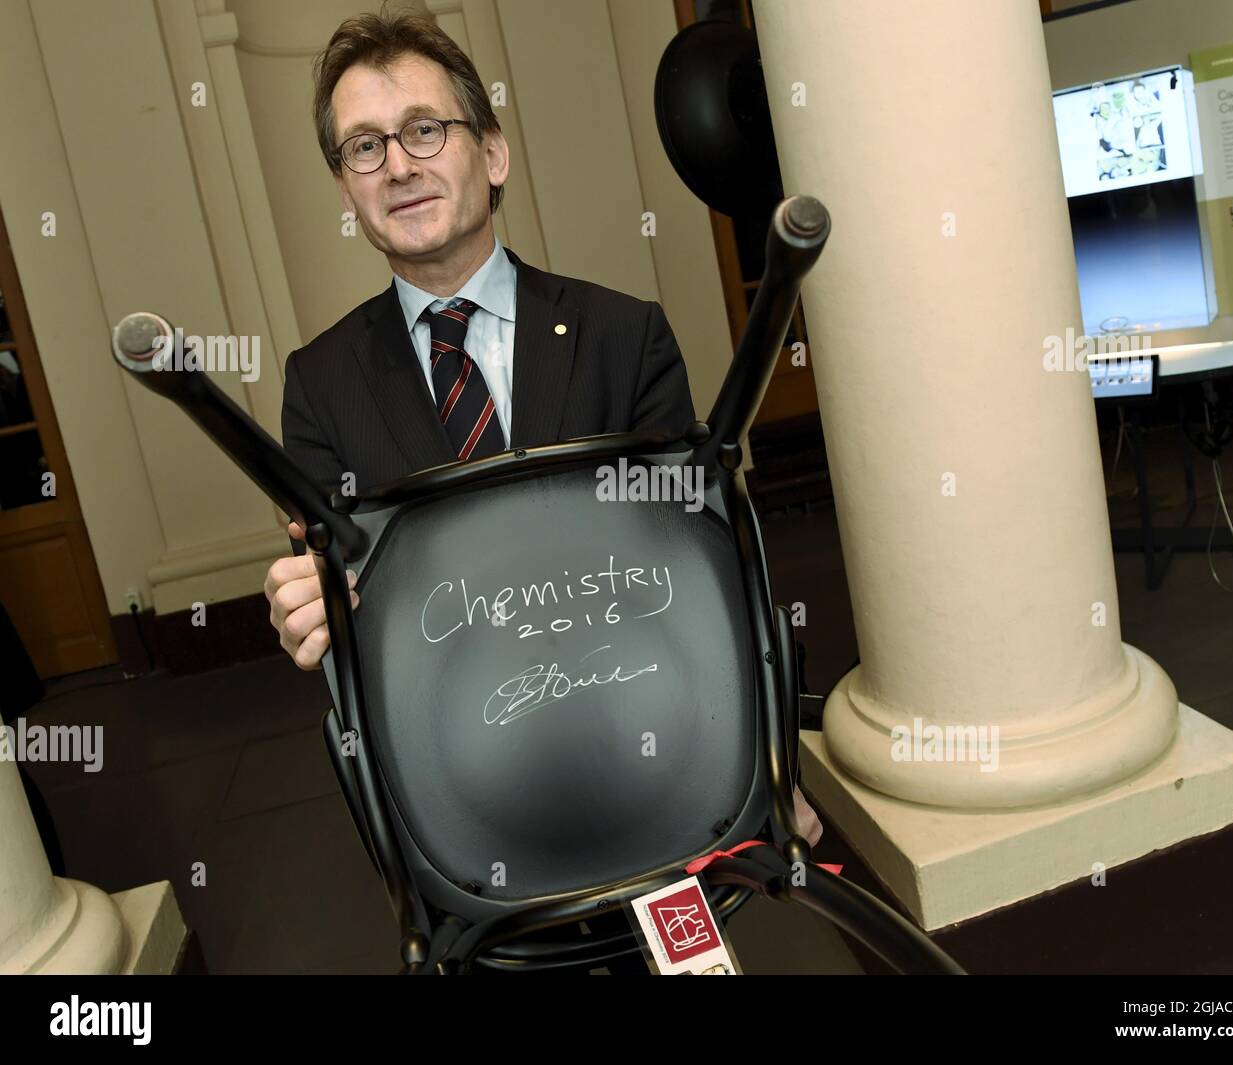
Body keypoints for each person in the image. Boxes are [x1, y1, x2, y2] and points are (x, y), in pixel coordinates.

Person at [263, 8, 823, 971]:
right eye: (365, 147)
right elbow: (342, 605)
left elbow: (708, 562)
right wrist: (314, 610)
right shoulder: (319, 386)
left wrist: (774, 762)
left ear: (492, 154)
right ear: (348, 190)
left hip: (653, 764)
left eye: (425, 130)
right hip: (473, 812)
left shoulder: (624, 335)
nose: (399, 164)